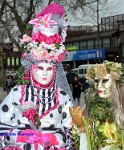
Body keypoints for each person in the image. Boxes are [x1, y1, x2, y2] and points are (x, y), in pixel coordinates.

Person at [0, 3, 75, 150]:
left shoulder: (63, 96)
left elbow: (74, 132)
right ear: (32, 69)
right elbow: (1, 127)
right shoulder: (17, 93)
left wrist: (55, 138)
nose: (45, 73)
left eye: (49, 68)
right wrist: (19, 136)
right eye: (40, 68)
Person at [70, 60, 124, 150]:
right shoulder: (90, 106)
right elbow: (82, 142)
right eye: (96, 81)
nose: (99, 86)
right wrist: (80, 125)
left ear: (116, 82)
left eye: (104, 80)